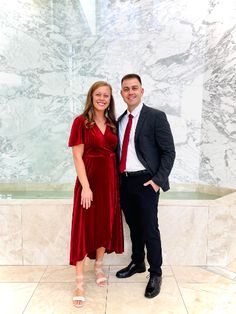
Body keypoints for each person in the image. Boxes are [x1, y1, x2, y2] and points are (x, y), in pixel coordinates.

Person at [116, 74, 175, 298]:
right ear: (121, 94)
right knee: (134, 226)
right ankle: (137, 263)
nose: (130, 92)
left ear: (142, 91)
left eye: (134, 88)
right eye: (126, 89)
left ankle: (156, 273)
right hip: (125, 181)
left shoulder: (155, 117)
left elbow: (169, 152)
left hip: (146, 182)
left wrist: (157, 180)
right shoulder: (120, 120)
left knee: (150, 228)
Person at [68, 81, 124, 308]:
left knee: (104, 225)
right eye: (98, 95)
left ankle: (98, 267)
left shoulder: (112, 123)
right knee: (84, 228)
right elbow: (77, 157)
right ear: (91, 97)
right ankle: (79, 282)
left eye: (106, 96)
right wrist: (86, 187)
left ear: (110, 100)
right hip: (89, 182)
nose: (102, 98)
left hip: (110, 183)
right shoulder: (81, 122)